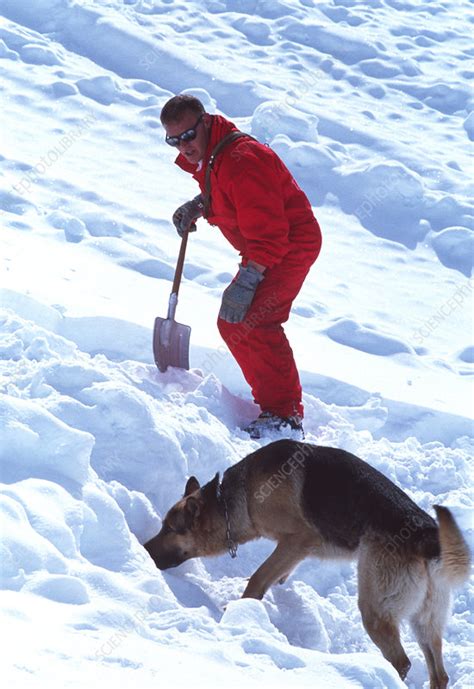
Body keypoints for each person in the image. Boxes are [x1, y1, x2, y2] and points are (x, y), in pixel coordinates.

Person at [160, 94, 322, 439]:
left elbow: (271, 232)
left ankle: (284, 414)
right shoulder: (215, 155)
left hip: (287, 245)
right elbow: (230, 192)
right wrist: (201, 205)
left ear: (204, 122)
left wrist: (249, 279)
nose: (183, 147)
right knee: (234, 322)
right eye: (173, 140)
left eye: (188, 136)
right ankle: (274, 404)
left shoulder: (243, 161)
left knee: (255, 319)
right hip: (267, 244)